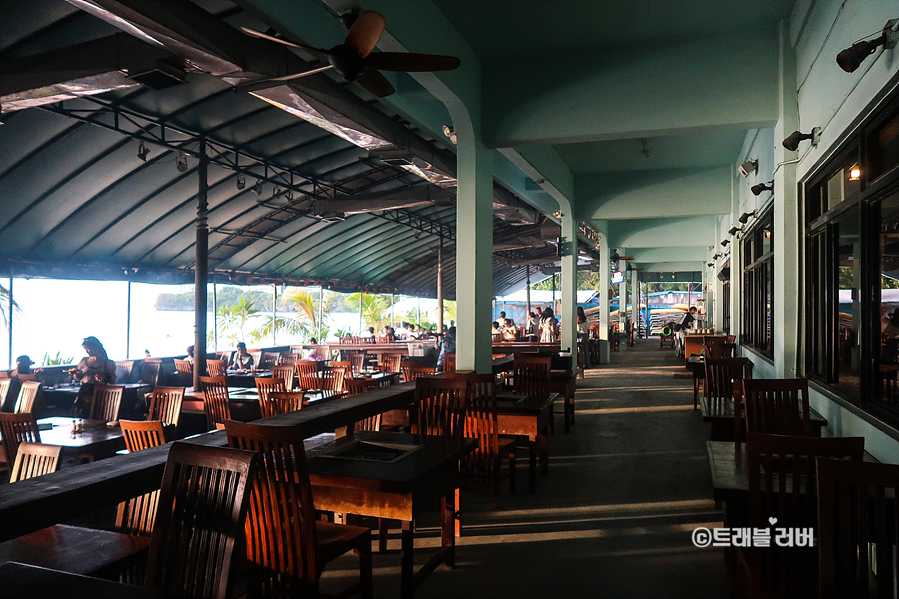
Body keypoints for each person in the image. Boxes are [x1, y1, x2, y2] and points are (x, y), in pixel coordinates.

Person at [71, 336, 117, 417]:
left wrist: (104, 377)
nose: (87, 351)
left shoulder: (108, 363)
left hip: (101, 394)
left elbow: (112, 380)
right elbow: (79, 377)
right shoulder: (84, 361)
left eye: (88, 348)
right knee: (80, 414)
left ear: (95, 347)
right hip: (84, 393)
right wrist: (75, 374)